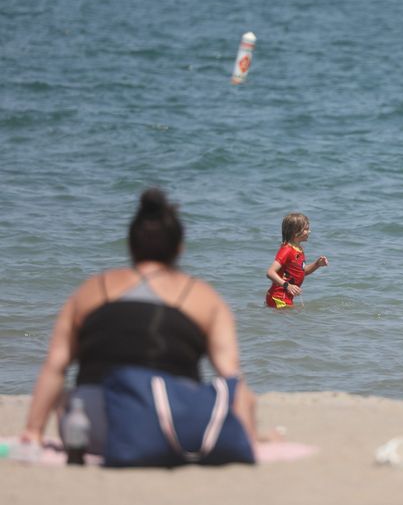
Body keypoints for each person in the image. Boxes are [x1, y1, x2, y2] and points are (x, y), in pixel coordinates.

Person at [20, 188, 258, 455]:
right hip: (175, 426)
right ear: (179, 249)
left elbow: (56, 366)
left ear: (131, 245)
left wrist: (33, 431)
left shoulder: (90, 291)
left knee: (66, 400)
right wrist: (248, 436)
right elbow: (232, 378)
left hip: (95, 431)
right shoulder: (205, 298)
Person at [265, 213, 328, 308]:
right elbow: (270, 272)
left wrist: (317, 264)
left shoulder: (298, 249)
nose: (309, 231)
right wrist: (287, 285)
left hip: (286, 297)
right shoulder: (287, 250)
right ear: (295, 232)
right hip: (278, 297)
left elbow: (302, 271)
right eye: (306, 229)